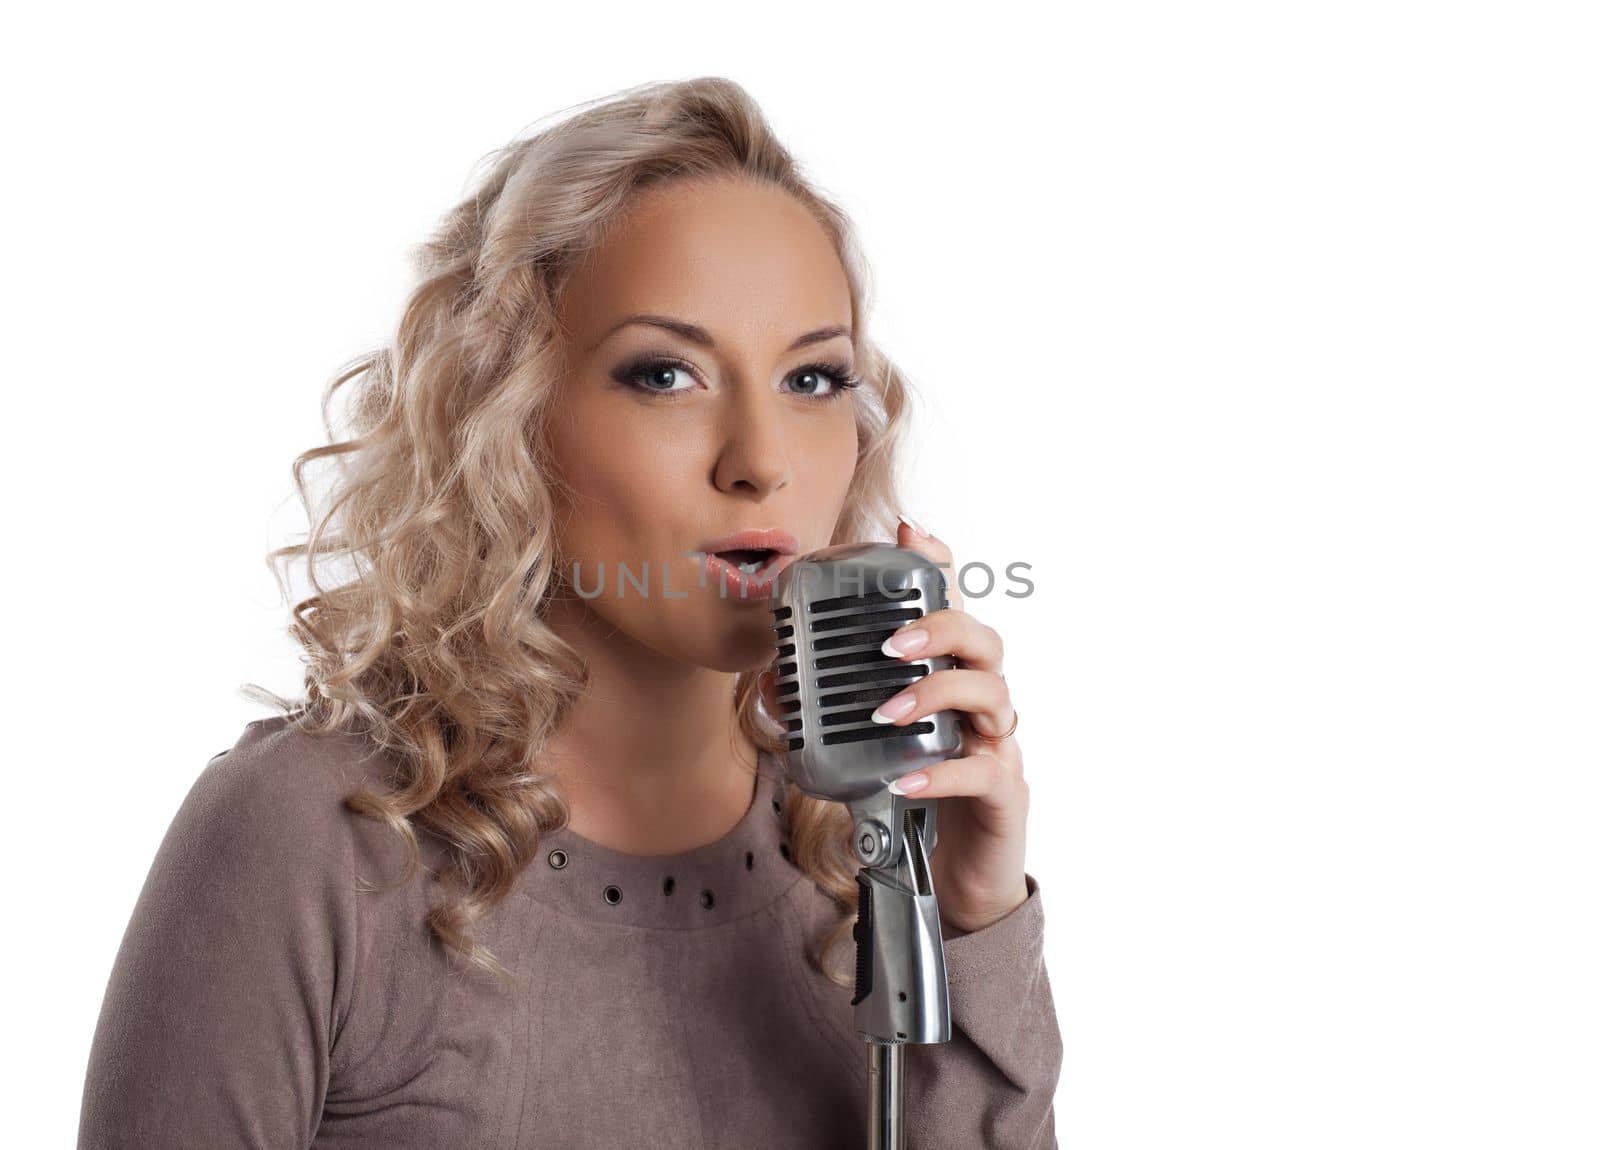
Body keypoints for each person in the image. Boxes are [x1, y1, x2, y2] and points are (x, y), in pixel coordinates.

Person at [77, 76, 1062, 1149]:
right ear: (507, 414)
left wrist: (968, 919)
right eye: (666, 373)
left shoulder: (853, 857)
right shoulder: (310, 844)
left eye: (813, 379)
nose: (762, 462)